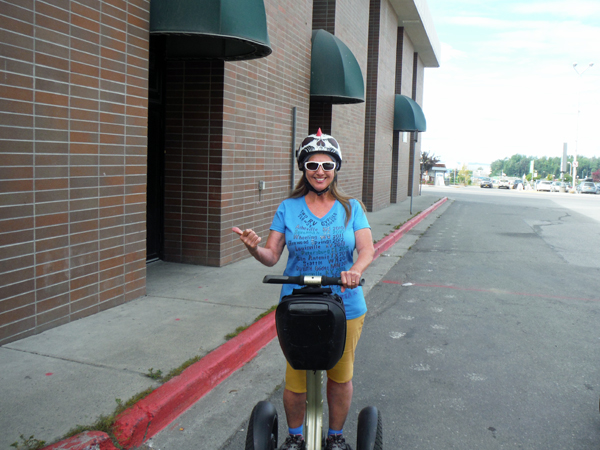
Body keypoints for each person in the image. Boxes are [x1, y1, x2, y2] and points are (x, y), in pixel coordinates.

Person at [233, 129, 374, 450]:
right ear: (303, 169)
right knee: (296, 380)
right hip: (297, 306)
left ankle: (335, 437)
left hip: (346, 304)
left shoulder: (352, 208)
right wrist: (254, 248)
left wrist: (355, 271)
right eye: (313, 165)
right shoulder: (288, 208)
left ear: (336, 168)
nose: (320, 171)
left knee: (340, 376)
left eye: (327, 164)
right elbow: (271, 256)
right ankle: (296, 436)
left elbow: (367, 249)